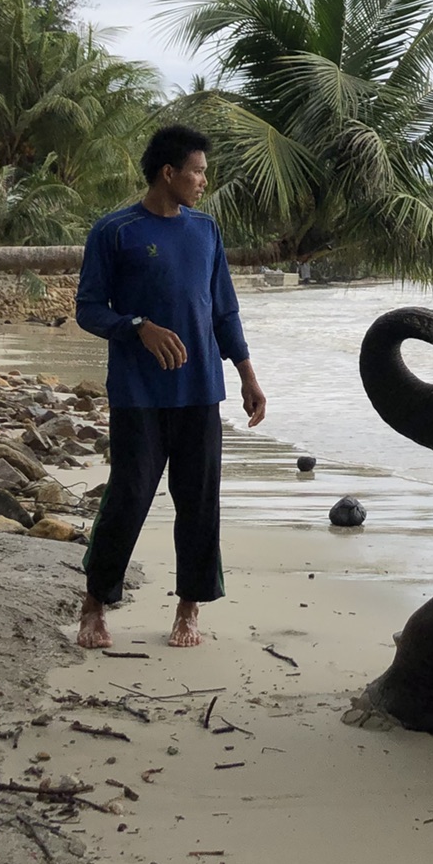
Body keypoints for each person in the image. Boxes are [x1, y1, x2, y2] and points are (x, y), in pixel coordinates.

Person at [73, 124, 267, 649]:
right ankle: (94, 603)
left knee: (199, 501)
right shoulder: (115, 231)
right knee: (129, 494)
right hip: (138, 393)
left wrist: (247, 376)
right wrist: (136, 326)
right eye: (198, 171)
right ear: (169, 173)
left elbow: (223, 310)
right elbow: (88, 309)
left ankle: (189, 609)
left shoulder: (205, 231)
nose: (204, 180)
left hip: (201, 390)